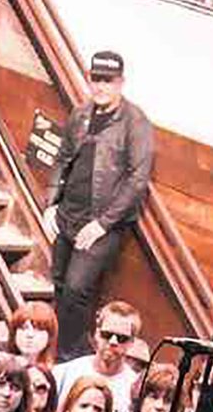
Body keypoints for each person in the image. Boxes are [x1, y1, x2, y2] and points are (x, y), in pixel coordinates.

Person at [45, 52, 153, 359]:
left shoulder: (135, 122)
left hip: (102, 224)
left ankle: (71, 357)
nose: (101, 86)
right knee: (59, 284)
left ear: (121, 83)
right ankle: (59, 352)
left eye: (108, 81)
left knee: (76, 289)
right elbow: (62, 159)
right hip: (67, 214)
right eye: (96, 79)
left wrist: (103, 224)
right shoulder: (81, 114)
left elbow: (138, 179)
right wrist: (50, 204)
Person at [52, 300, 142, 412]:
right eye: (107, 335)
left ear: (132, 343)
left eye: (121, 338)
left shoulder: (136, 387)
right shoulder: (63, 374)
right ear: (96, 334)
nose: (113, 342)